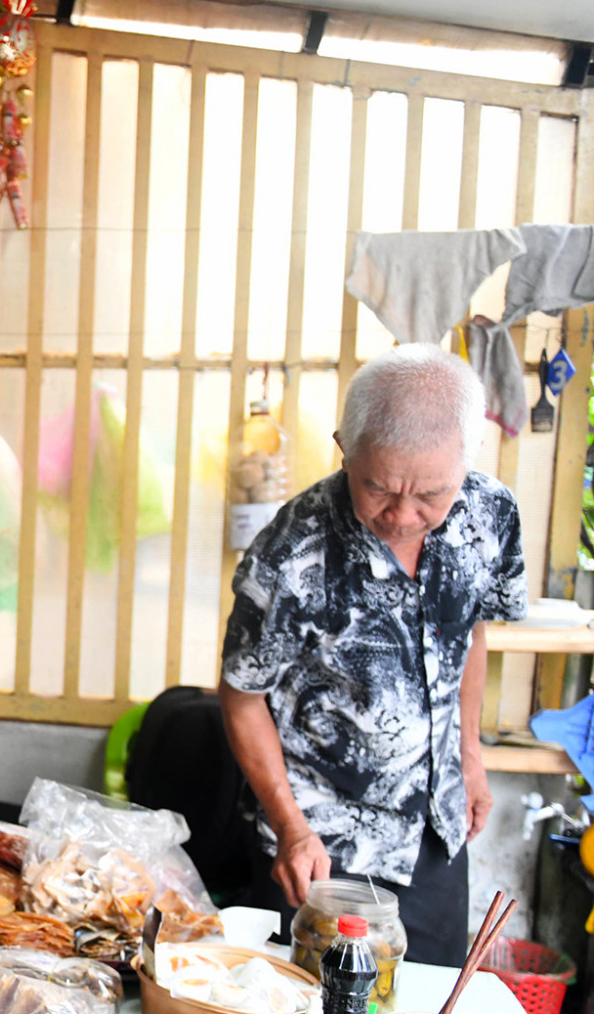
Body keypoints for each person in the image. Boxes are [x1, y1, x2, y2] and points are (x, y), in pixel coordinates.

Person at [217, 344, 527, 965]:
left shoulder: (490, 515)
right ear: (343, 447)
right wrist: (292, 829)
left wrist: (470, 757)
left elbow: (467, 636)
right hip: (320, 847)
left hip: (433, 833)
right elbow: (242, 696)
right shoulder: (291, 552)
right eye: (378, 489)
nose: (403, 517)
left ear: (469, 459)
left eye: (430, 496)